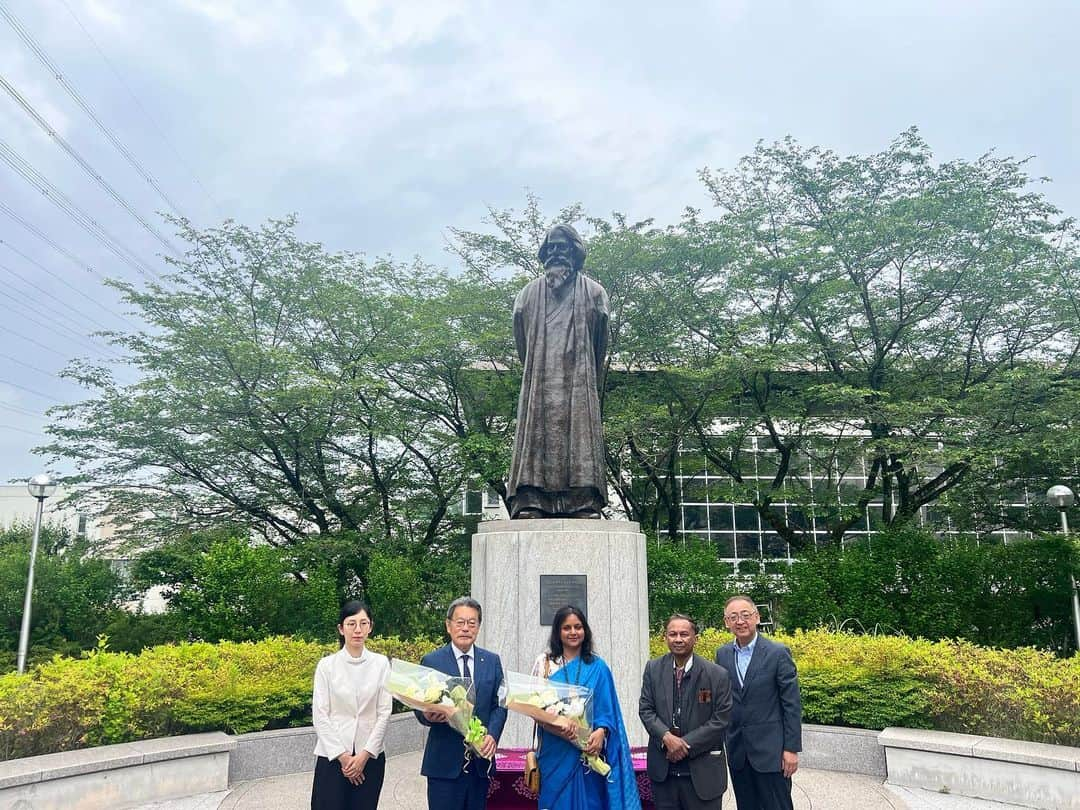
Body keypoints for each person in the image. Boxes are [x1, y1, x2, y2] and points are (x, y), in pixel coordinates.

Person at [507, 224, 610, 519]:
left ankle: (582, 502)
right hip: (539, 381)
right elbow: (522, 345)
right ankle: (531, 500)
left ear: (575, 252)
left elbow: (599, 345)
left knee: (580, 437)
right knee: (534, 435)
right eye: (549, 247)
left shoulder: (594, 294)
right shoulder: (527, 296)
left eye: (561, 247)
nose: (554, 252)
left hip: (579, 382)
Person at [530, 604, 641, 810]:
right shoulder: (545, 663)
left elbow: (607, 709)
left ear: (585, 630)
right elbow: (534, 709)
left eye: (578, 627)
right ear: (558, 632)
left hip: (588, 753)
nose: (573, 632)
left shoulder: (598, 667)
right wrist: (561, 727)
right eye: (567, 628)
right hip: (555, 752)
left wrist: (600, 732)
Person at [416, 596, 507, 810]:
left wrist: (492, 735)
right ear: (449, 625)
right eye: (460, 622)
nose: (465, 628)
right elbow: (419, 705)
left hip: (480, 765)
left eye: (472, 623)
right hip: (443, 765)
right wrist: (427, 715)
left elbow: (500, 704)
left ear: (478, 627)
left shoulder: (492, 661)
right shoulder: (432, 661)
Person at [713, 596, 802, 810]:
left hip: (771, 752)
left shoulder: (777, 653)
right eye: (733, 617)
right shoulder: (723, 654)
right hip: (738, 751)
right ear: (726, 622)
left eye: (745, 615)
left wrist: (791, 749)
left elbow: (791, 704)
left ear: (757, 617)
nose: (740, 621)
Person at [640, 614, 733, 810]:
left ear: (695, 639)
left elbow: (720, 719)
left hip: (704, 773)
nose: (678, 639)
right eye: (672, 634)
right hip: (664, 773)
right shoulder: (653, 668)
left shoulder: (716, 674)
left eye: (684, 634)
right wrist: (666, 737)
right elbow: (646, 709)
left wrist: (683, 745)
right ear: (665, 637)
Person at [311, 599, 392, 810]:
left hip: (370, 757)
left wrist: (364, 756)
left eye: (363, 623)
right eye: (351, 623)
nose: (357, 630)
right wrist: (344, 757)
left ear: (370, 627)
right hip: (333, 756)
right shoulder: (327, 666)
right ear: (341, 628)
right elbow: (320, 714)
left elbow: (384, 712)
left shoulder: (381, 663)